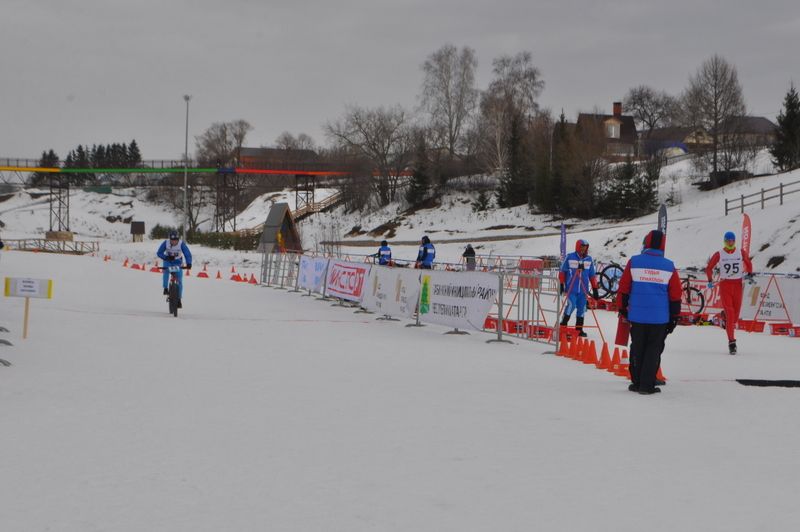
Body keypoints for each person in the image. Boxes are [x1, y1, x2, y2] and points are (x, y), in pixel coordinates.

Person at [617, 230, 682, 395]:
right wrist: (674, 317)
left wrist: (622, 308)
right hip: (660, 318)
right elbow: (675, 294)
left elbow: (623, 288)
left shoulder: (634, 262)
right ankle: (647, 385)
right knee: (654, 349)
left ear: (646, 243)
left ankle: (636, 382)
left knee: (637, 347)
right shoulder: (669, 266)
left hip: (637, 316)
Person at [705, 231, 753, 355]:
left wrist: (750, 273)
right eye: (728, 240)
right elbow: (709, 267)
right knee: (731, 314)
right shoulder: (719, 254)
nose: (730, 243)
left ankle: (723, 316)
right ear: (725, 241)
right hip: (725, 285)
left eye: (732, 240)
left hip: (737, 285)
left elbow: (748, 262)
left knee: (735, 317)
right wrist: (710, 280)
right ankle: (732, 342)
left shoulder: (740, 252)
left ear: (734, 241)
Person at [559, 239, 599, 337]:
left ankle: (579, 329)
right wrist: (561, 284)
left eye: (585, 248)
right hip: (571, 288)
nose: (583, 249)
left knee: (582, 308)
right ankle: (563, 325)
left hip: (583, 290)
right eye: (581, 247)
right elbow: (562, 271)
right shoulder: (570, 257)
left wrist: (595, 289)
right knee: (571, 305)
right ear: (578, 247)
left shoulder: (589, 259)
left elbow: (592, 275)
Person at [156, 231, 192, 302]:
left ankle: (179, 299)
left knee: (179, 280)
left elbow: (187, 254)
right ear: (170, 239)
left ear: (178, 239)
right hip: (168, 261)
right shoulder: (165, 243)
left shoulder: (181, 244)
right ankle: (165, 288)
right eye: (172, 240)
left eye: (176, 240)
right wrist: (166, 257)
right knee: (166, 272)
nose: (174, 242)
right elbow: (159, 253)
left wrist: (189, 263)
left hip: (177, 262)